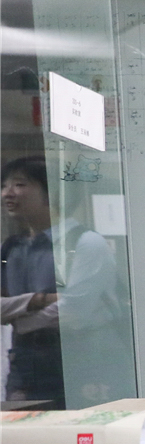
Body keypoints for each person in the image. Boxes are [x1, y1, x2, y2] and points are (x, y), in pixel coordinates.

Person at [2, 157, 63, 405]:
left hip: (67, 357)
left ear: (49, 191)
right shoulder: (11, 248)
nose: (7, 194)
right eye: (4, 186)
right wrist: (39, 300)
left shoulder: (79, 242)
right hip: (22, 362)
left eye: (19, 184)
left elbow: (77, 310)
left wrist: (18, 318)